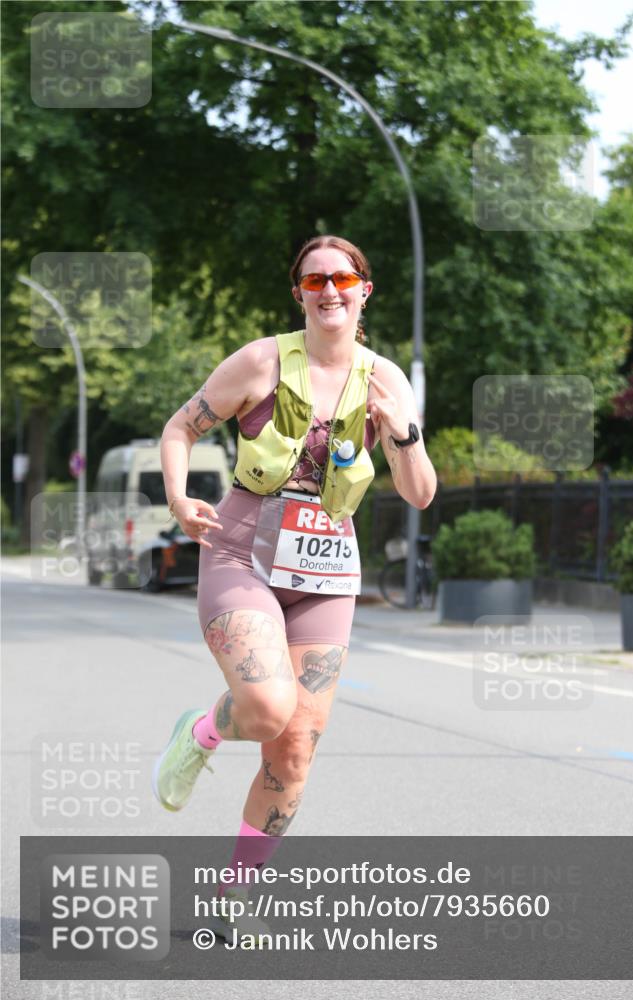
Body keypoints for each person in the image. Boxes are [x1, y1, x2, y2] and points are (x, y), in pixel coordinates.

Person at [153, 234, 437, 938]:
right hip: (242, 550)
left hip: (327, 568)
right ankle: (201, 733)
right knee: (265, 707)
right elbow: (178, 429)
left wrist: (401, 434)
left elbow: (420, 493)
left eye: (342, 279)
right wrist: (179, 498)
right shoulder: (259, 361)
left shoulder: (385, 379)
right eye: (314, 282)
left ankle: (233, 893)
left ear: (364, 289)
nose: (329, 291)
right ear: (299, 294)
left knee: (295, 744)